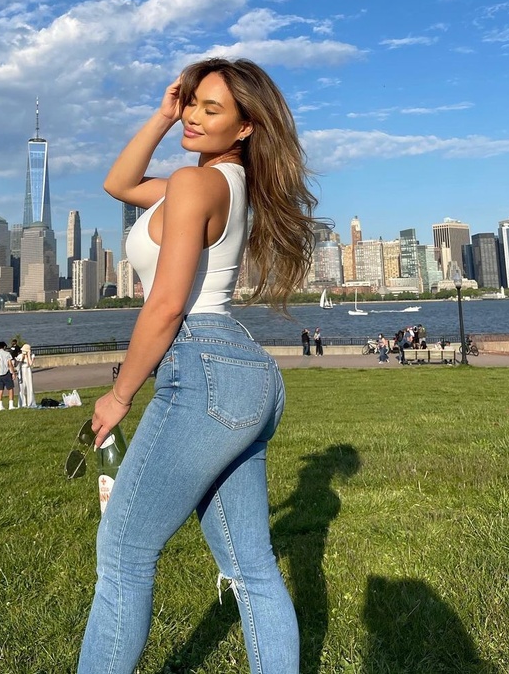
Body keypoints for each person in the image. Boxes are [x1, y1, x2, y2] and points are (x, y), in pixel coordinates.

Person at [77, 57, 316, 674]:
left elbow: (165, 305)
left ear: (245, 127)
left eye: (213, 109)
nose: (194, 116)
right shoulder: (218, 184)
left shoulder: (195, 185)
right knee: (252, 567)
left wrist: (119, 396)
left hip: (202, 365)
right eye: (191, 103)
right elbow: (119, 184)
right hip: (246, 372)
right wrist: (163, 115)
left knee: (124, 552)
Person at [0, 340, 17, 411]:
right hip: (6, 373)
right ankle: (11, 405)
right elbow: (10, 364)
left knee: (0, 390)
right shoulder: (7, 354)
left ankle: (0, 406)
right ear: (4, 347)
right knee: (10, 389)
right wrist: (13, 373)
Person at [18, 342, 37, 408]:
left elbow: (30, 364)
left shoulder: (32, 355)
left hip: (28, 370)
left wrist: (28, 355)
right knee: (22, 387)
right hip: (22, 370)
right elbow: (19, 363)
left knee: (30, 386)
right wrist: (23, 356)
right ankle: (22, 403)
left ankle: (30, 402)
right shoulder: (20, 356)